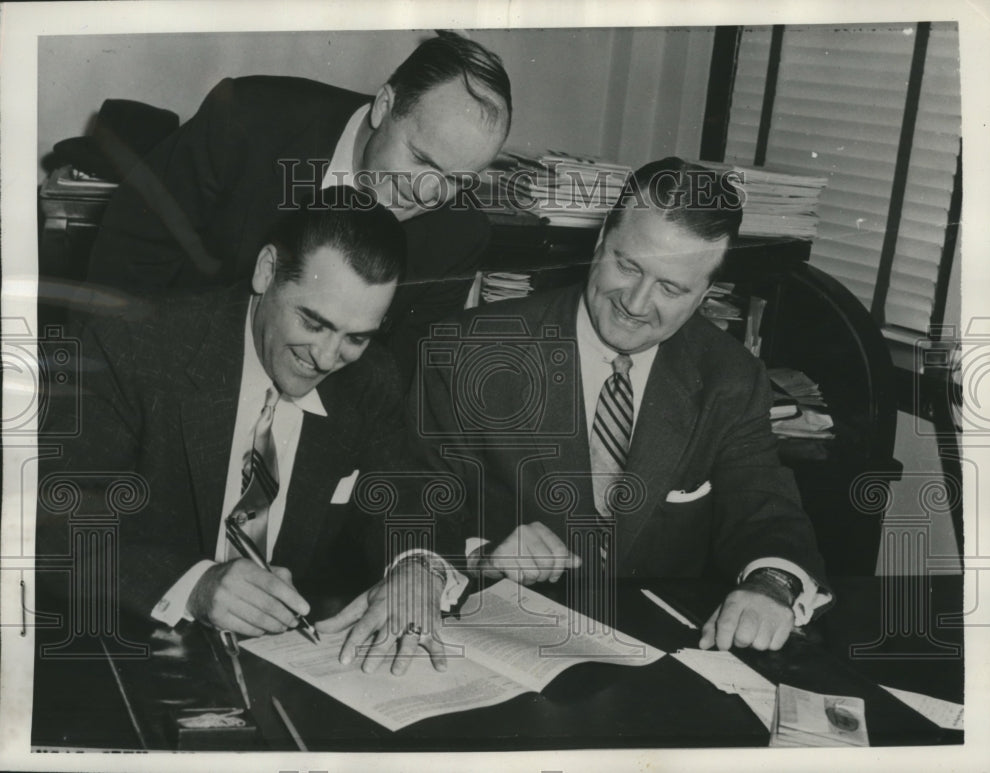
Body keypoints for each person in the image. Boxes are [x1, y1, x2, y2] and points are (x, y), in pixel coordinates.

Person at [329, 158, 833, 656]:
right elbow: (407, 497)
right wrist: (467, 558)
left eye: (671, 288)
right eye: (627, 266)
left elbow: (765, 507)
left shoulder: (730, 377)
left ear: (705, 293)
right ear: (599, 244)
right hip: (497, 643)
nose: (635, 303)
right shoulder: (470, 350)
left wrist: (771, 584)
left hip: (654, 658)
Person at [38, 191, 459, 668]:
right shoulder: (133, 346)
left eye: (356, 337)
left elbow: (411, 493)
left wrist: (419, 567)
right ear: (266, 271)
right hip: (129, 649)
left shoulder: (370, 379)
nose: (326, 358)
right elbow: (54, 521)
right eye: (313, 322)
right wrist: (194, 584)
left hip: (289, 661)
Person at [85, 31, 512, 383]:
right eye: (421, 159)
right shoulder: (248, 119)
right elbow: (129, 257)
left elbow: (397, 381)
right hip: (168, 366)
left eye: (458, 180)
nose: (429, 194)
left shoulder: (461, 234)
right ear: (385, 106)